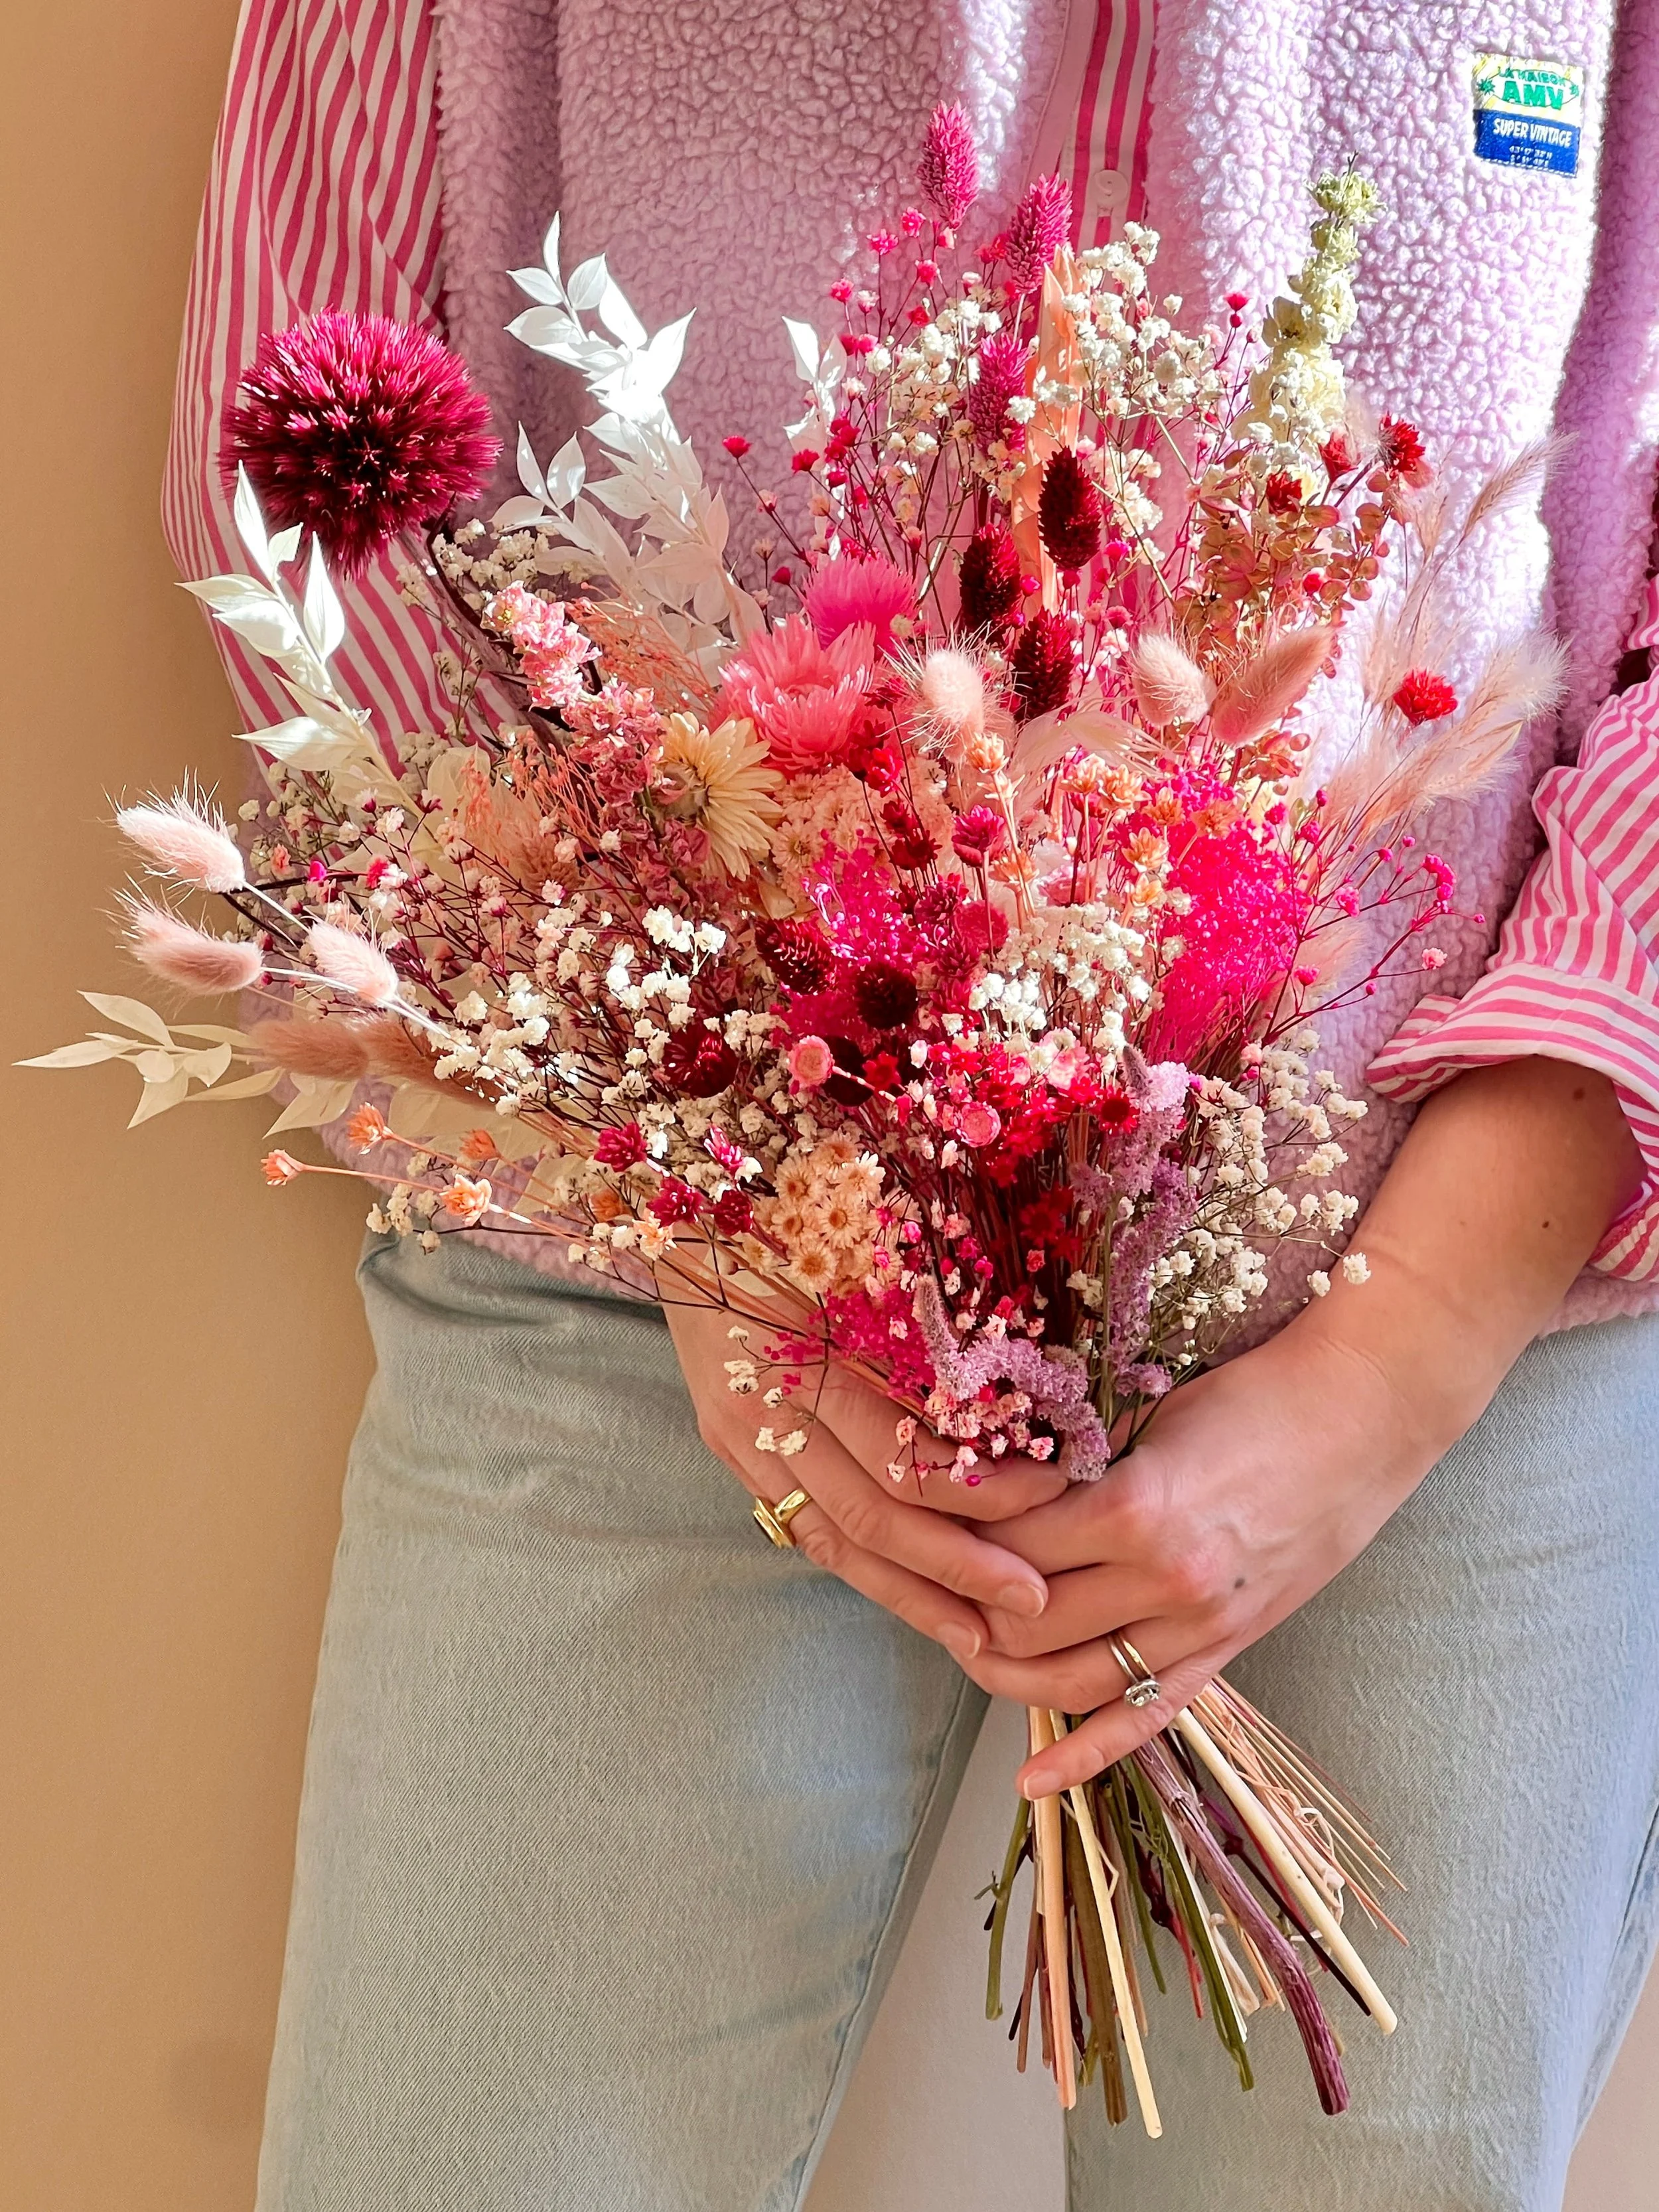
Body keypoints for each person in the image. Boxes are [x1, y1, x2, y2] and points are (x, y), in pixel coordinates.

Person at [165, 3, 1659, 2207]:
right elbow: (309, 437)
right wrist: (712, 1189)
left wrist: (1403, 1350)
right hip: (649, 1249)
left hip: (1454, 1255)